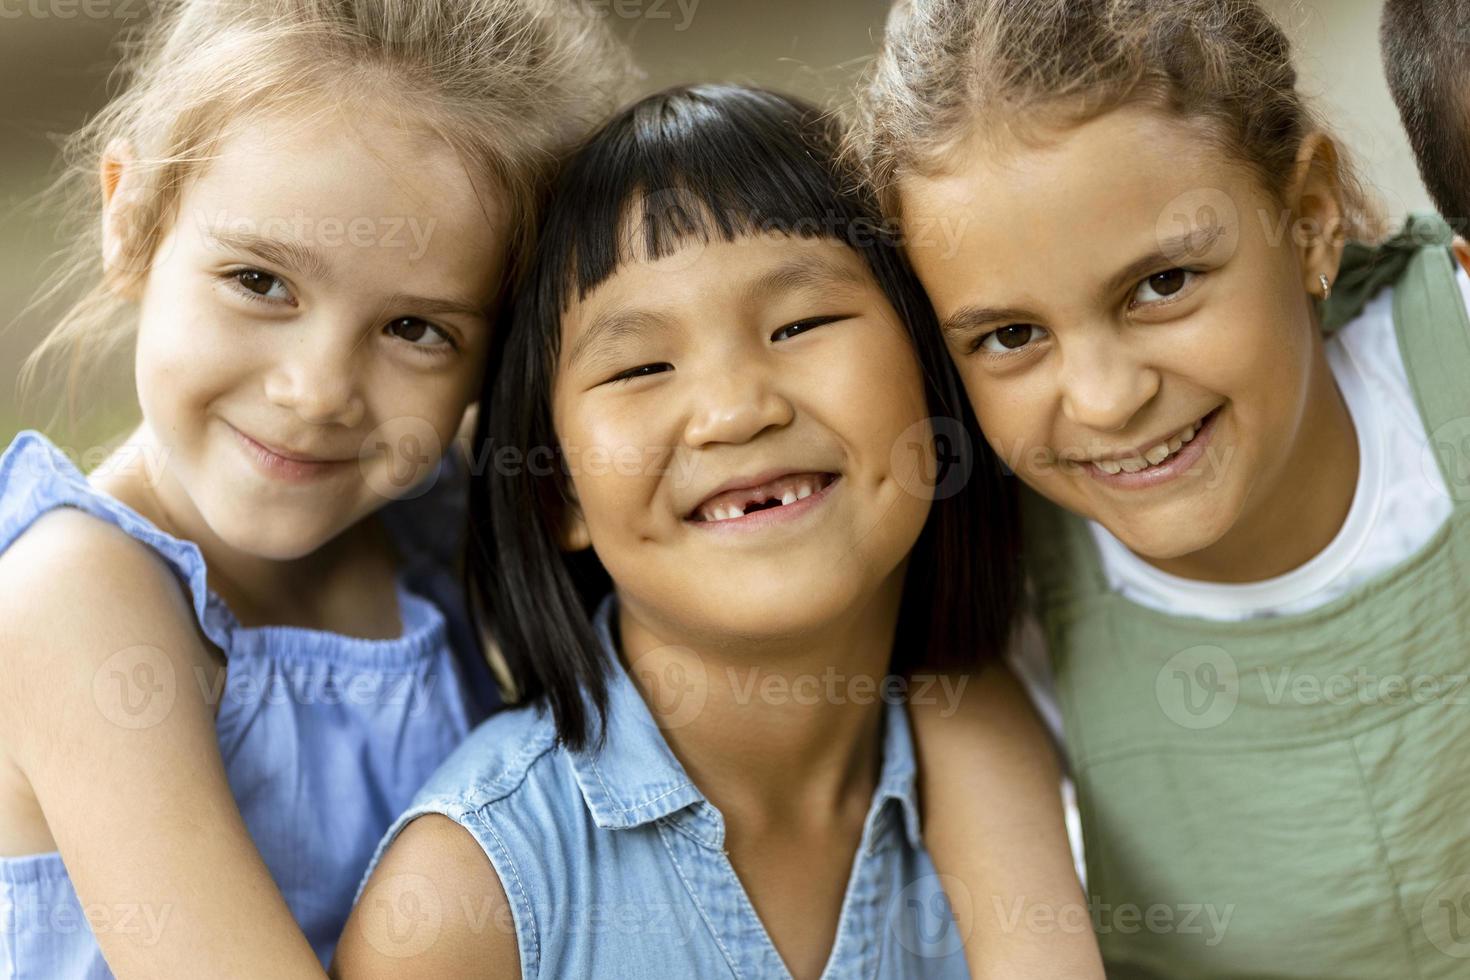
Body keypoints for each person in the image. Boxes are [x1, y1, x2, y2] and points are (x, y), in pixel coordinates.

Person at [0, 1, 631, 975]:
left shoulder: (429, 526)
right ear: (130, 221)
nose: (318, 390)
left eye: (416, 329)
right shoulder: (77, 596)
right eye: (260, 281)